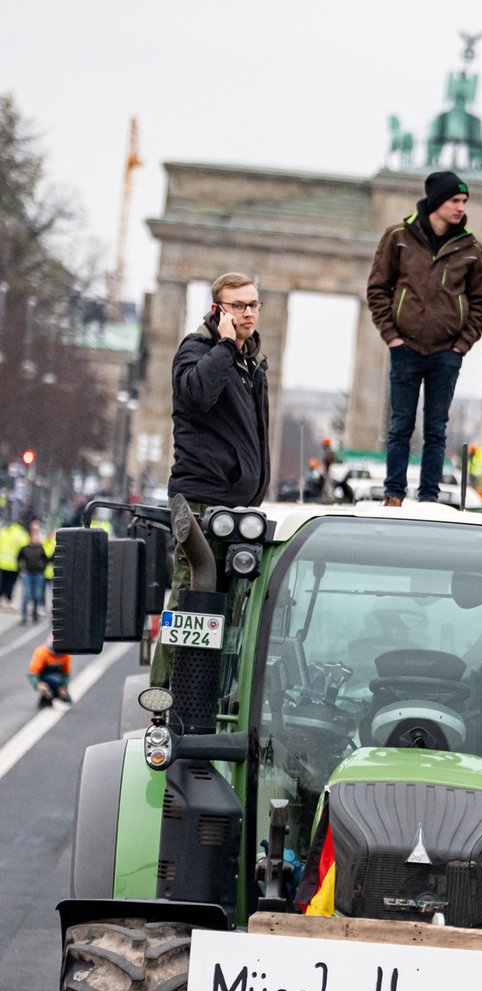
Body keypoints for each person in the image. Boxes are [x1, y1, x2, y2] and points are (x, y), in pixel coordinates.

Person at [152, 272, 271, 683]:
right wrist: (223, 344)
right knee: (192, 599)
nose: (249, 313)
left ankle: (213, 687)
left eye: (254, 304)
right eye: (239, 306)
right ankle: (167, 697)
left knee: (230, 605)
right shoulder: (198, 349)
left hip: (237, 502)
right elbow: (197, 394)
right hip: (203, 499)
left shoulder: (249, 362)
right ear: (218, 310)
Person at [366, 170, 482, 505]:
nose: (461, 207)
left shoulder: (471, 248)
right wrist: (391, 335)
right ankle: (394, 493)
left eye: (464, 201)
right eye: (455, 200)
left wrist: (461, 346)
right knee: (400, 425)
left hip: (445, 353)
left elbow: (481, 303)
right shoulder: (398, 237)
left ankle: (429, 498)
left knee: (436, 430)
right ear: (436, 202)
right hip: (405, 347)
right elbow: (378, 288)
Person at [18, 521, 49, 625]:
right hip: (28, 573)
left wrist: (42, 568)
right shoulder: (25, 548)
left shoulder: (41, 547)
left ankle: (34, 611)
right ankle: (24, 616)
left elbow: (46, 559)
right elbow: (19, 558)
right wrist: (21, 569)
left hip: (38, 573)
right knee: (26, 595)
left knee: (37, 595)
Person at [28, 636, 72, 708]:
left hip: (57, 678)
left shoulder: (65, 655)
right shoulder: (41, 653)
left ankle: (48, 698)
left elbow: (66, 674)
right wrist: (38, 684)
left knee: (67, 699)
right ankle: (47, 696)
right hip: (44, 676)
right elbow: (33, 673)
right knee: (53, 680)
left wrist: (64, 687)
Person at [0, 515, 27, 608]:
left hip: (2, 562)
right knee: (10, 584)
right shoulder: (22, 534)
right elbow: (25, 549)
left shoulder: (4, 531)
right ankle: (9, 600)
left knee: (2, 582)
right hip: (14, 564)